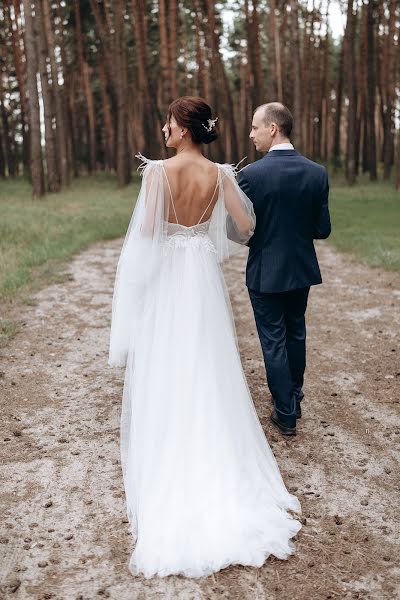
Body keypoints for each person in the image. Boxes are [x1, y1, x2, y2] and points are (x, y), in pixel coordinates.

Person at [108, 96, 301, 579]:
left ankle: (170, 430)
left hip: (170, 274)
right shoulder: (221, 174)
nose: (164, 130)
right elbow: (246, 224)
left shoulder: (157, 173)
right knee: (208, 359)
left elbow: (148, 233)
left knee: (168, 355)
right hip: (201, 276)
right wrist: (204, 234)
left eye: (170, 123)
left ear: (185, 129)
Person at [239, 102, 331, 437]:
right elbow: (323, 229)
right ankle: (294, 395)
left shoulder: (250, 175)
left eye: (254, 127)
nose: (251, 134)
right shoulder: (317, 172)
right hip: (301, 269)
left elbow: (241, 230)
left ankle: (286, 413)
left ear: (273, 128)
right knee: (295, 332)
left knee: (273, 341)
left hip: (265, 272)